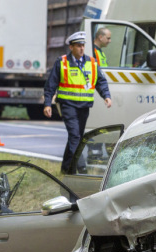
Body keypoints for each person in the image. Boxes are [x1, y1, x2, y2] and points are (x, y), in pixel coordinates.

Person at [44, 31, 112, 174]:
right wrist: (47, 103)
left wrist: (106, 96)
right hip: (68, 105)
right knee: (75, 136)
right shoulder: (62, 62)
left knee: (77, 137)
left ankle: (65, 168)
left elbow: (100, 81)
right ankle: (80, 168)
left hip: (84, 106)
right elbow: (51, 85)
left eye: (83, 45)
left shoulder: (92, 62)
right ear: (71, 47)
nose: (82, 48)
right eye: (78, 46)